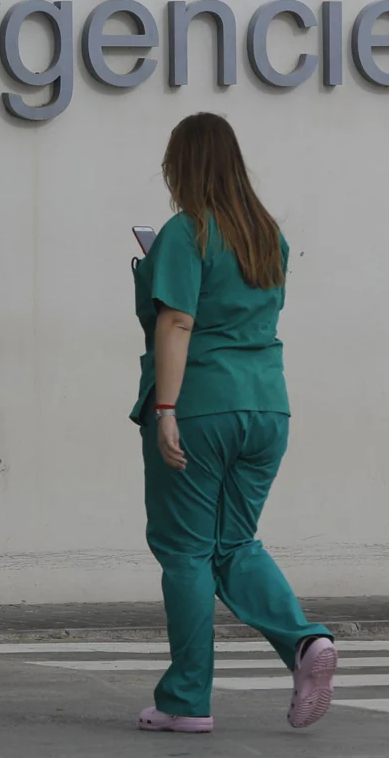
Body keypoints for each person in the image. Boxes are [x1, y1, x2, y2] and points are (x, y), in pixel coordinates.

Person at [128, 112, 336, 734]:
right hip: (268, 407)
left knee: (186, 550)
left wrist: (165, 409)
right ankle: (304, 644)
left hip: (201, 404)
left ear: (184, 165)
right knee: (234, 543)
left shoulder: (185, 233)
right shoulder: (268, 236)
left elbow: (178, 322)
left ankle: (187, 699)